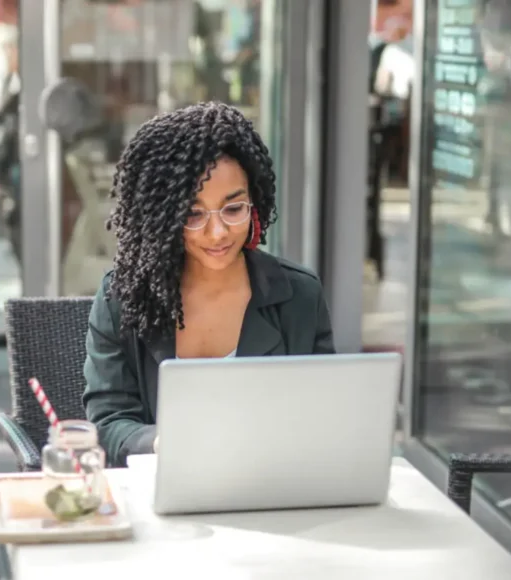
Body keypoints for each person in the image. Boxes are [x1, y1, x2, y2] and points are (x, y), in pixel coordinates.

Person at [82, 102, 335, 468]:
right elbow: (107, 424)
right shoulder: (122, 298)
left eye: (233, 210)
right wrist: (160, 442)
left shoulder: (299, 296)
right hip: (161, 495)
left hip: (273, 489)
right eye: (193, 214)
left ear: (256, 204)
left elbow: (324, 419)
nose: (217, 233)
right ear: (163, 218)